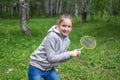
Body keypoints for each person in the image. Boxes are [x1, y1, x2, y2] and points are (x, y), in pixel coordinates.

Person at [28, 14, 81, 80]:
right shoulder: (52, 36)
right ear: (58, 25)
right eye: (64, 25)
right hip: (36, 66)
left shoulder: (67, 41)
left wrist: (72, 55)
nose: (66, 29)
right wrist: (69, 53)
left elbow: (61, 58)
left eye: (69, 26)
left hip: (49, 68)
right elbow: (51, 58)